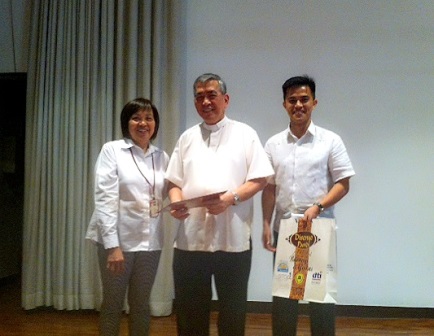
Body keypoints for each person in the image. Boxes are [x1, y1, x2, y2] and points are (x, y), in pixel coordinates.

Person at [165, 73, 274, 336]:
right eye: (200, 97)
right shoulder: (187, 137)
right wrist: (177, 202)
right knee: (190, 312)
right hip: (191, 240)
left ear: (225, 99)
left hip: (233, 240)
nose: (206, 102)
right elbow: (173, 182)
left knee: (233, 312)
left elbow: (260, 178)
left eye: (211, 95)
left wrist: (231, 199)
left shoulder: (245, 134)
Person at [261, 75, 355, 336]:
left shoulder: (330, 141)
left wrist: (318, 206)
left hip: (318, 230)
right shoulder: (273, 144)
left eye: (304, 99)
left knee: (320, 299)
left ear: (314, 102)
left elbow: (343, 183)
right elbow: (269, 188)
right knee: (284, 299)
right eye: (292, 100)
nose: (298, 105)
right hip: (285, 230)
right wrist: (266, 223)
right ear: (284, 105)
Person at [86, 98, 169, 336]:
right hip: (117, 242)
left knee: (142, 305)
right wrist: (113, 246)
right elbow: (104, 198)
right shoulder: (112, 150)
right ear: (127, 122)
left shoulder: (161, 156)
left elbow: (170, 192)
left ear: (155, 123)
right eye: (136, 118)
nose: (143, 123)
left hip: (150, 242)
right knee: (113, 305)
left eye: (149, 118)